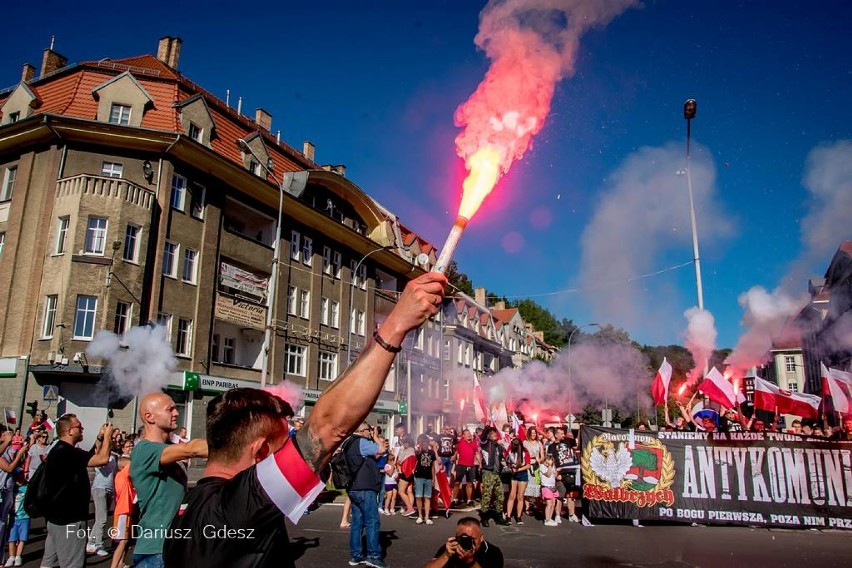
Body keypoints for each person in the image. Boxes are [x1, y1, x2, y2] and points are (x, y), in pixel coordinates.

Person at [163, 271, 447, 568]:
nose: (288, 451)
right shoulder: (235, 508)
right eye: (282, 445)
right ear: (259, 450)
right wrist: (396, 323)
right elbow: (328, 427)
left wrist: (373, 346)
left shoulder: (191, 507)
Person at [131, 393, 208, 568]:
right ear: (149, 417)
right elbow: (192, 449)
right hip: (155, 551)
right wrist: (237, 444)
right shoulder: (144, 450)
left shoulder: (168, 450)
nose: (176, 413)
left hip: (174, 546)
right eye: (170, 409)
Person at [40, 415, 114, 568]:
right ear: (69, 431)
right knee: (73, 564)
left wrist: (99, 438)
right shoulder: (66, 452)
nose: (82, 429)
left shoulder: (61, 450)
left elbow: (88, 457)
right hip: (70, 520)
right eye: (79, 427)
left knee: (48, 563)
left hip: (56, 519)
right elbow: (101, 459)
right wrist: (107, 437)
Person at [346, 423, 389, 565]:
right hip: (365, 488)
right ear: (362, 431)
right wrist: (376, 437)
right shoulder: (361, 442)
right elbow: (382, 449)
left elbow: (373, 457)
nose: (370, 433)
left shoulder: (348, 443)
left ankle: (356, 555)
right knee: (372, 521)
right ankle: (374, 556)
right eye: (368, 430)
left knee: (357, 523)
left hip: (353, 487)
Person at [0, 430, 32, 562]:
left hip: (8, 490)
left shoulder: (7, 451)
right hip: (1, 491)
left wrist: (21, 451)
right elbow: (9, 468)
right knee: (0, 525)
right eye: (8, 435)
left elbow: (16, 466)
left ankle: (1, 559)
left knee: (3, 525)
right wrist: (19, 453)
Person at [424, 517, 504, 568]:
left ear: (481, 538)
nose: (467, 542)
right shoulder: (451, 548)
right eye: (462, 539)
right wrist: (445, 555)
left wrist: (470, 562)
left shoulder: (493, 552)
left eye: (471, 538)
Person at [87, 434, 118, 557]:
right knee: (103, 518)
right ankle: (99, 544)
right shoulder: (99, 455)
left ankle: (91, 542)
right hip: (99, 488)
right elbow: (99, 456)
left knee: (99, 519)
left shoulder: (114, 457)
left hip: (110, 489)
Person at [548, 427, 579, 523]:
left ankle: (572, 514)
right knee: (560, 495)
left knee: (571, 495)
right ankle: (557, 515)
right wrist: (555, 473)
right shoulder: (552, 446)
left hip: (570, 471)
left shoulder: (568, 441)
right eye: (561, 433)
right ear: (556, 434)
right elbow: (549, 460)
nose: (563, 435)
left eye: (563, 433)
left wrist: (579, 430)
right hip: (560, 473)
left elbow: (576, 445)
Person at [478, 427, 507, 527]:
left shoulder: (498, 446)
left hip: (497, 473)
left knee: (500, 496)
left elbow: (503, 457)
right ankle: (484, 517)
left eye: (496, 433)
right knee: (487, 495)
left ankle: (499, 516)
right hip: (488, 472)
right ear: (489, 435)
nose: (495, 435)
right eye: (493, 434)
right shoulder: (485, 444)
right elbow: (482, 436)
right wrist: (489, 427)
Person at [110, 456, 135, 568]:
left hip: (126, 511)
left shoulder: (125, 479)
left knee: (125, 540)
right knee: (123, 541)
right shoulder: (122, 475)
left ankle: (120, 563)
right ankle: (114, 565)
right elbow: (131, 465)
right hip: (122, 511)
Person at [503, 437, 530, 524]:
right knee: (512, 495)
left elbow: (528, 465)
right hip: (513, 473)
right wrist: (511, 466)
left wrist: (518, 469)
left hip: (522, 473)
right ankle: (508, 516)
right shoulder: (510, 451)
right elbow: (506, 460)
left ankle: (518, 517)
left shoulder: (525, 452)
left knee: (520, 496)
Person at [413, 434, 438, 525]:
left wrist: (433, 479)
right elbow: (416, 454)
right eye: (422, 443)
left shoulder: (431, 453)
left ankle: (427, 517)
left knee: (427, 497)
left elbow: (432, 466)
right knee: (419, 496)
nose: (424, 444)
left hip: (428, 477)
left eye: (425, 443)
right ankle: (420, 516)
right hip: (419, 476)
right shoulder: (418, 453)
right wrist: (418, 447)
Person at [451, 429, 479, 507]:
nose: (469, 435)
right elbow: (457, 450)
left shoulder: (474, 444)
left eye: (469, 433)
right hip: (461, 465)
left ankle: (469, 500)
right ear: (463, 436)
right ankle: (454, 499)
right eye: (467, 434)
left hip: (471, 465)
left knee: (469, 483)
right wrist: (454, 456)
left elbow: (477, 453)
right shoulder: (460, 442)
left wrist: (480, 464)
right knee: (457, 482)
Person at [5, 472, 28, 567]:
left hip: (25, 517)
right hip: (14, 517)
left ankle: (18, 556)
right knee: (12, 538)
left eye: (21, 477)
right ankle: (11, 556)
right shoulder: (11, 489)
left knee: (22, 538)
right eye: (17, 478)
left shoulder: (26, 488)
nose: (19, 480)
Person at [539, 455, 558, 526]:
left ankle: (550, 518)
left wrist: (554, 465)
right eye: (548, 459)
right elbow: (548, 475)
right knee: (549, 503)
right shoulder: (542, 466)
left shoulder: (552, 466)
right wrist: (549, 466)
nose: (549, 461)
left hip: (553, 486)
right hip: (546, 487)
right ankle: (547, 519)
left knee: (553, 503)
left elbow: (555, 475)